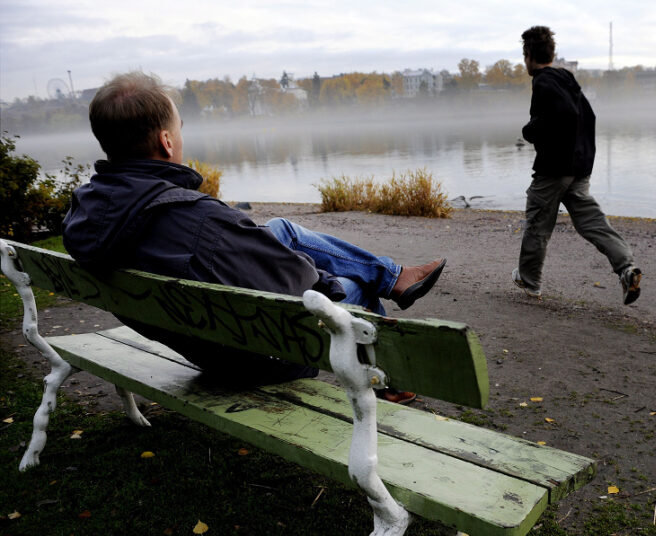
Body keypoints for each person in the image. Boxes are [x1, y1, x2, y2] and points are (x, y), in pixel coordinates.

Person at [62, 71, 445, 401]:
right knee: (352, 287)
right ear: (166, 141)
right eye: (180, 130)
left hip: (199, 340)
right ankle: (387, 379)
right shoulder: (196, 219)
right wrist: (325, 277)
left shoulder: (86, 214)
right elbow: (301, 287)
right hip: (256, 357)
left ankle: (393, 278)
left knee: (281, 229)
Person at [513, 26, 642, 305]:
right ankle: (626, 267)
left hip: (554, 168)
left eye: (524, 56)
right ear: (552, 52)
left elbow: (564, 114)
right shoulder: (566, 78)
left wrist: (530, 131)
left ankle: (529, 280)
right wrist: (582, 152)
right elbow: (587, 115)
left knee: (538, 222)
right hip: (579, 166)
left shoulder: (544, 82)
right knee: (591, 219)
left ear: (528, 55)